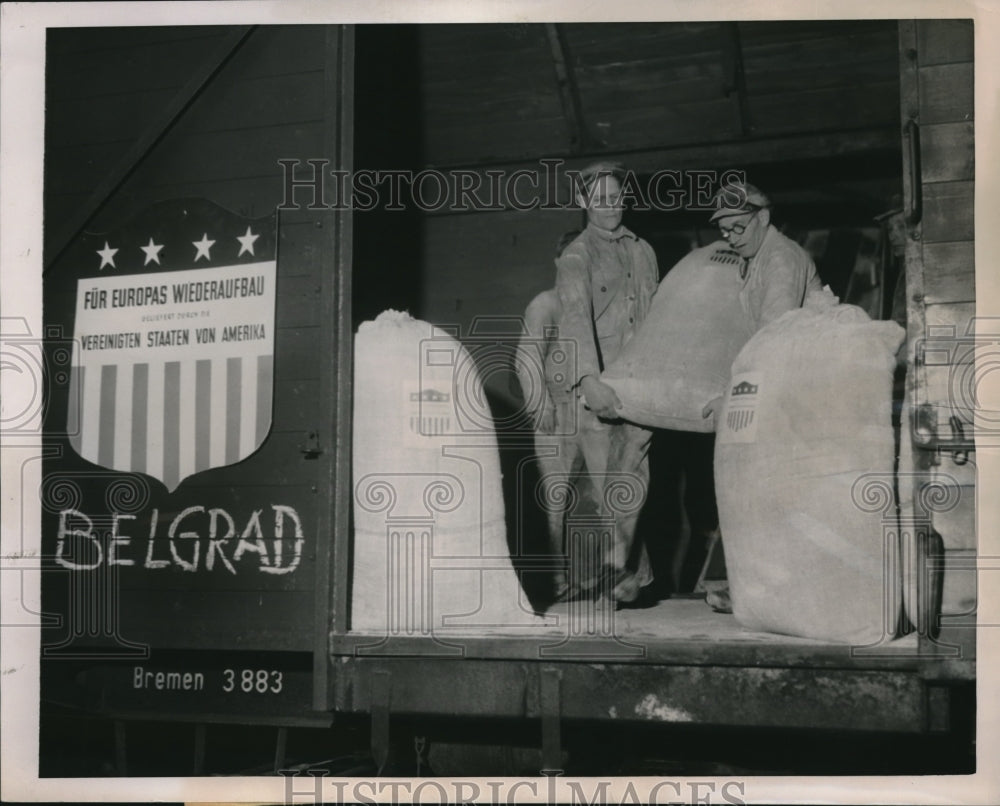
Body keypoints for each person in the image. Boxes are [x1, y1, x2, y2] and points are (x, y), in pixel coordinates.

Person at [699, 179, 824, 611]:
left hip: (790, 389)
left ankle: (774, 591)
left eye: (737, 227)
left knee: (773, 491)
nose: (730, 238)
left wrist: (734, 397)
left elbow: (774, 337)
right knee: (756, 491)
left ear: (763, 218)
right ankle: (759, 586)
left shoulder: (781, 259)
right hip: (773, 385)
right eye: (725, 230)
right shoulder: (755, 259)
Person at [551, 161, 659, 604]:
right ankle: (620, 580)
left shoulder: (643, 250)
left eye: (615, 196)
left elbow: (657, 315)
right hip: (600, 389)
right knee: (612, 487)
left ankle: (625, 580)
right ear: (583, 203)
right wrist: (588, 382)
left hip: (643, 386)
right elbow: (575, 320)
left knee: (632, 482)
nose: (610, 206)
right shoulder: (577, 256)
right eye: (599, 199)